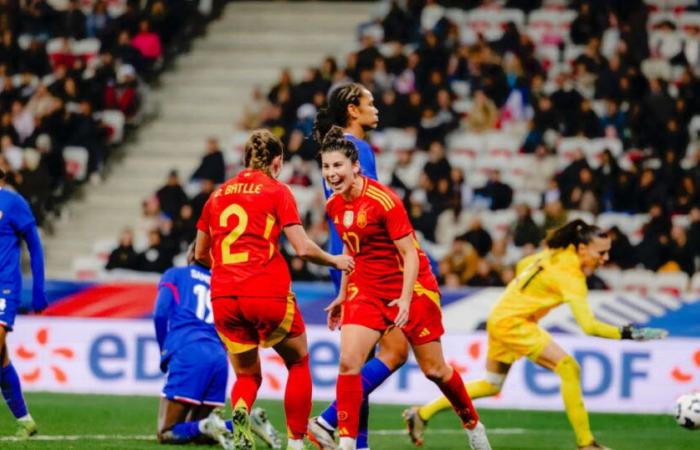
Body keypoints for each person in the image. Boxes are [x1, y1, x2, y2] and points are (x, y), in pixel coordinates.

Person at [404, 220, 668, 450]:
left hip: (501, 316)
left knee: (492, 384)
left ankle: (421, 414)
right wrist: (630, 333)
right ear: (583, 249)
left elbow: (523, 264)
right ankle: (586, 443)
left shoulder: (557, 251)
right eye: (601, 253)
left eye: (608, 252)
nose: (605, 258)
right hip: (515, 323)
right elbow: (589, 327)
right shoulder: (572, 277)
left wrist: (526, 293)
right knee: (568, 368)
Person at [319, 127, 491, 450]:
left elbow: (410, 253)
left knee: (435, 370)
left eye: (337, 166)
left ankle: (472, 425)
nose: (331, 173)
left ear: (355, 166)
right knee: (349, 363)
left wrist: (405, 300)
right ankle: (345, 444)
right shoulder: (334, 205)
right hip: (367, 288)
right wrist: (343, 293)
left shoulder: (384, 200)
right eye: (326, 167)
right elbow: (349, 250)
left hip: (411, 286)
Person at [195, 129, 354, 450]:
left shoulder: (218, 195)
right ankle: (296, 442)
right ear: (277, 162)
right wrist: (335, 260)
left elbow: (200, 254)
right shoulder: (277, 191)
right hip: (266, 291)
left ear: (245, 161)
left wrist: (230, 274)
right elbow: (303, 248)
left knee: (247, 376)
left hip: (224, 296)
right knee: (297, 362)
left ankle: (240, 412)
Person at [309, 83, 409, 450]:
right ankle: (329, 421)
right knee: (395, 352)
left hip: (344, 257)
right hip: (365, 262)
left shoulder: (333, 150)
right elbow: (371, 213)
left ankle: (356, 442)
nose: (376, 108)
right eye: (370, 102)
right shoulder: (357, 150)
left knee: (360, 358)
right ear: (353, 109)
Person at [153, 243, 281, 449]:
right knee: (200, 432)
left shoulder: (175, 274)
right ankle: (249, 422)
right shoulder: (224, 285)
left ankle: (213, 424)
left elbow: (160, 313)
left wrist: (163, 349)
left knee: (167, 431)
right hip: (219, 357)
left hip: (188, 351)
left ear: (192, 253)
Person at [0, 168, 47, 438]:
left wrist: (39, 287)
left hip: (4, 288)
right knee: (1, 358)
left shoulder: (13, 202)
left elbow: (35, 244)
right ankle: (25, 419)